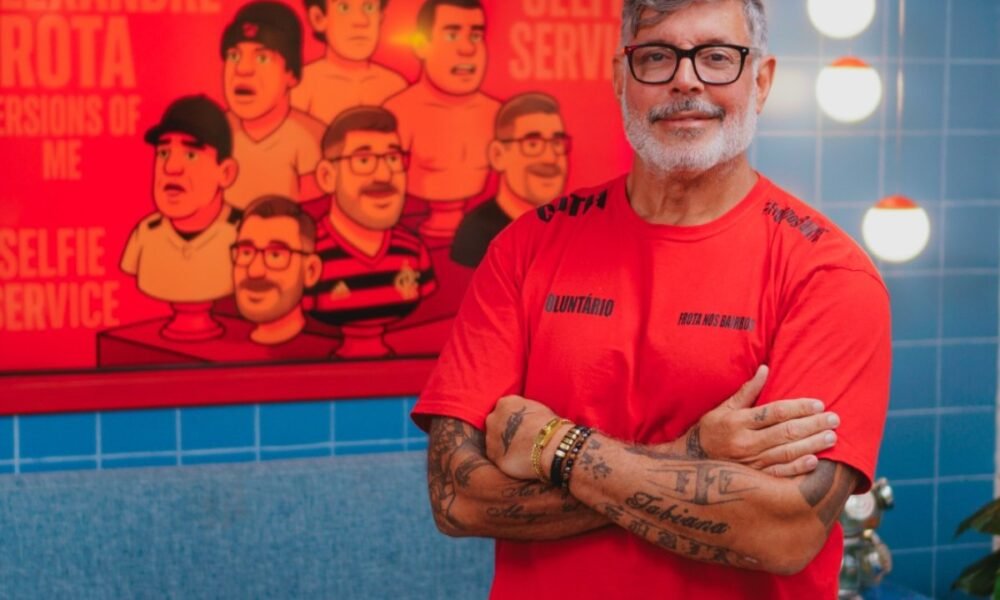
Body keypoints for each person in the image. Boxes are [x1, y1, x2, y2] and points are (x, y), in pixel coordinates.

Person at [411, 0, 891, 598]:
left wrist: (558, 447)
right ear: (621, 77)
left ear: (761, 80)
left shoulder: (828, 274)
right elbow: (457, 499)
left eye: (717, 57)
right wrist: (694, 454)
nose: (686, 79)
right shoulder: (524, 248)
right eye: (658, 56)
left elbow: (785, 531)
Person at [309, 106, 437, 358]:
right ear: (327, 176)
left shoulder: (414, 251)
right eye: (364, 161)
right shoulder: (306, 256)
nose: (384, 175)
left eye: (393, 158)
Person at [121, 95, 242, 341]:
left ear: (226, 173)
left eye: (191, 155)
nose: (170, 168)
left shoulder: (245, 233)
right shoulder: (146, 233)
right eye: (163, 152)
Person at [383, 0, 500, 238]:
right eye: (451, 35)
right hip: (410, 240)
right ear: (421, 45)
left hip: (484, 241)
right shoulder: (397, 114)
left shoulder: (500, 116)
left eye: (476, 36)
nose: (467, 48)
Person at [221, 1, 326, 209]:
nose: (242, 69)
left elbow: (315, 215)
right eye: (234, 55)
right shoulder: (213, 134)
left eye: (262, 58)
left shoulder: (313, 140)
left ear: (291, 75)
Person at [451, 92, 570, 268]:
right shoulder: (476, 233)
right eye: (532, 144)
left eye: (557, 143)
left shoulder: (570, 230)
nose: (550, 158)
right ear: (498, 155)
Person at [293, 0, 408, 124]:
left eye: (369, 7)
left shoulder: (396, 86)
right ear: (318, 18)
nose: (361, 21)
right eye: (344, 7)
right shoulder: (302, 84)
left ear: (381, 17)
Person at [232, 195, 323, 345]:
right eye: (246, 252)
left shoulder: (326, 347)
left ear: (310, 271)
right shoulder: (222, 336)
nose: (254, 271)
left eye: (275, 255)